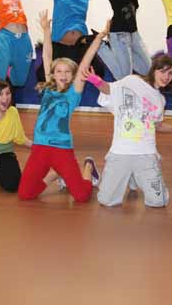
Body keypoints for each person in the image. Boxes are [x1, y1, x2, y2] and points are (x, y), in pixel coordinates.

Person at [17, 11, 107, 203]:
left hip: (62, 148)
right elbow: (47, 55)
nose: (63, 75)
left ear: (73, 75)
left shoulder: (73, 93)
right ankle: (54, 174)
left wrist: (99, 38)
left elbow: (85, 62)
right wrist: (46, 29)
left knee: (81, 196)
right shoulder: (48, 88)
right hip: (40, 147)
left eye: (67, 72)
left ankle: (88, 166)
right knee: (25, 194)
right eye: (59, 71)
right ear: (53, 74)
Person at [85, 54, 172, 208]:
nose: (166, 77)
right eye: (162, 71)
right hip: (120, 151)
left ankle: (133, 175)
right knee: (106, 201)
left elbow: (157, 126)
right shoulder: (132, 81)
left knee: (158, 202)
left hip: (146, 154)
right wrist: (96, 81)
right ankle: (95, 167)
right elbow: (109, 89)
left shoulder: (160, 100)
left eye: (170, 73)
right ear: (153, 70)